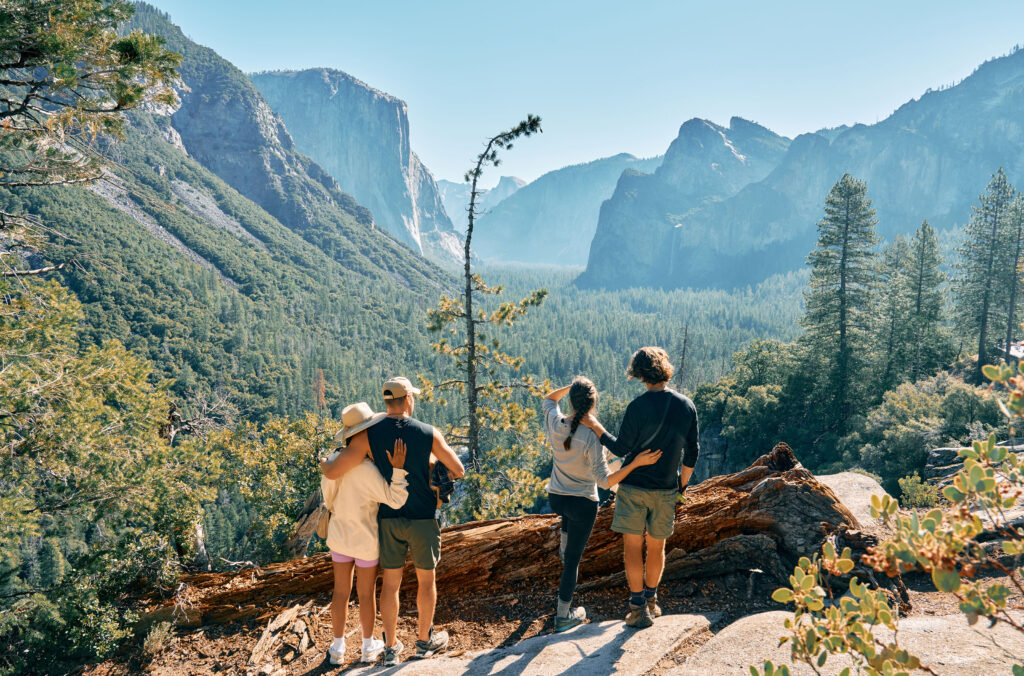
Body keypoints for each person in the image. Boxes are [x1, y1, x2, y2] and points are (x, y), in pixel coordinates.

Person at [580, 347, 699, 629]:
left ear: (639, 374)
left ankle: (636, 609)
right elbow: (692, 452)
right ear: (664, 370)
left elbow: (621, 447)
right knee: (657, 548)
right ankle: (652, 602)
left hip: (633, 488)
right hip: (666, 489)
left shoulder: (637, 407)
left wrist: (597, 427)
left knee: (633, 548)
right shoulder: (686, 406)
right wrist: (681, 485)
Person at [543, 377, 662, 632]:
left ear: (572, 401)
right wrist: (634, 464)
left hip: (556, 498)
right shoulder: (591, 437)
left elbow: (550, 398)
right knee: (573, 562)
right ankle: (563, 615)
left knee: (568, 544)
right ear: (593, 404)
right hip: (582, 503)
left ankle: (565, 548)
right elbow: (605, 482)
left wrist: (572, 387)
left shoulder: (555, 422)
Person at [368, 376, 466, 667]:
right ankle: (424, 642)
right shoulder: (428, 433)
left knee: (390, 584)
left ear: (386, 401)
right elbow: (458, 470)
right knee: (426, 580)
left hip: (388, 517)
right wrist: (432, 465)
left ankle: (390, 647)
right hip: (423, 517)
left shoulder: (370, 433)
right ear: (408, 399)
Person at [320, 402, 411, 665]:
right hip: (366, 541)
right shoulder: (370, 471)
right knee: (366, 594)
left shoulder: (333, 464)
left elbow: (328, 501)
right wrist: (397, 470)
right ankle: (368, 647)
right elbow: (395, 499)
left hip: (339, 536)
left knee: (340, 592)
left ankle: (337, 649)